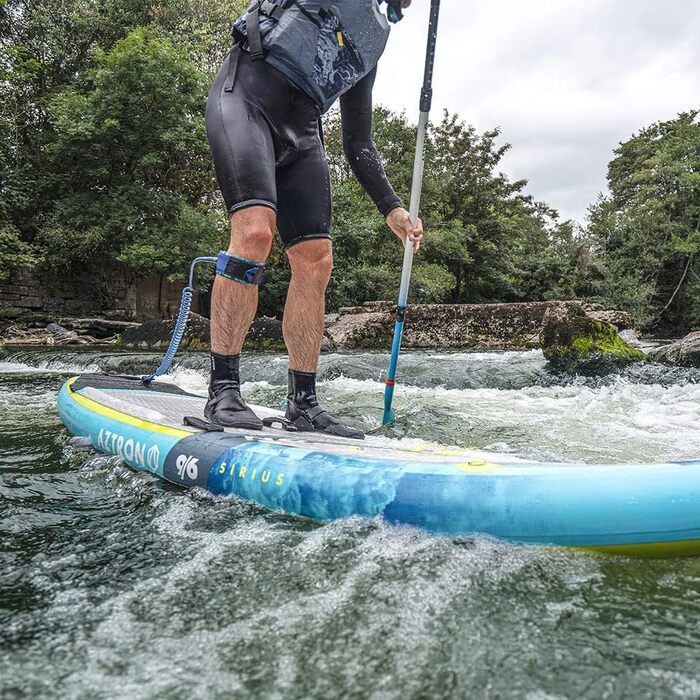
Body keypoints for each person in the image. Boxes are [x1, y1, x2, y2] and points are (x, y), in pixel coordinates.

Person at [204, 0, 423, 439]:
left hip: (303, 135)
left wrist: (392, 207)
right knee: (255, 233)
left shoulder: (368, 39)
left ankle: (302, 403)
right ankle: (224, 389)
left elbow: (358, 140)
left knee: (316, 260)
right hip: (245, 101)